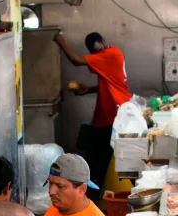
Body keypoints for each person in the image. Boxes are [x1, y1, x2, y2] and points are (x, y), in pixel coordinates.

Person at [53, 30, 132, 191]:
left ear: (104, 41)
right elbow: (110, 83)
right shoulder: (109, 54)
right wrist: (88, 90)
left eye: (99, 50)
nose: (98, 54)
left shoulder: (110, 54)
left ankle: (99, 193)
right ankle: (100, 190)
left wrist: (61, 42)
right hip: (107, 115)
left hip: (113, 116)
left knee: (100, 159)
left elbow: (76, 60)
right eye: (95, 53)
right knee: (97, 155)